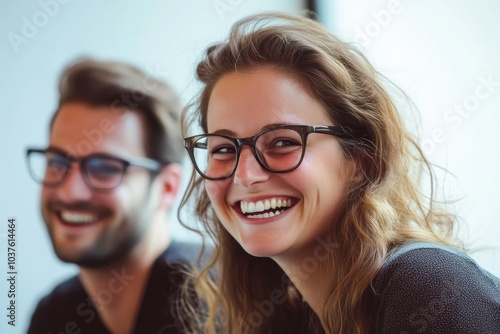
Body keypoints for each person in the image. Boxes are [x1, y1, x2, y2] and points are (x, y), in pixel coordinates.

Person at [179, 12, 500, 333]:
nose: (245, 175)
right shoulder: (293, 317)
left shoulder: (428, 286)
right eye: (222, 148)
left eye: (282, 142)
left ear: (361, 158)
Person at [26, 58, 203, 333]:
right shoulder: (54, 314)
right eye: (57, 162)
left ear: (167, 187)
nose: (70, 191)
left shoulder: (213, 302)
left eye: (105, 168)